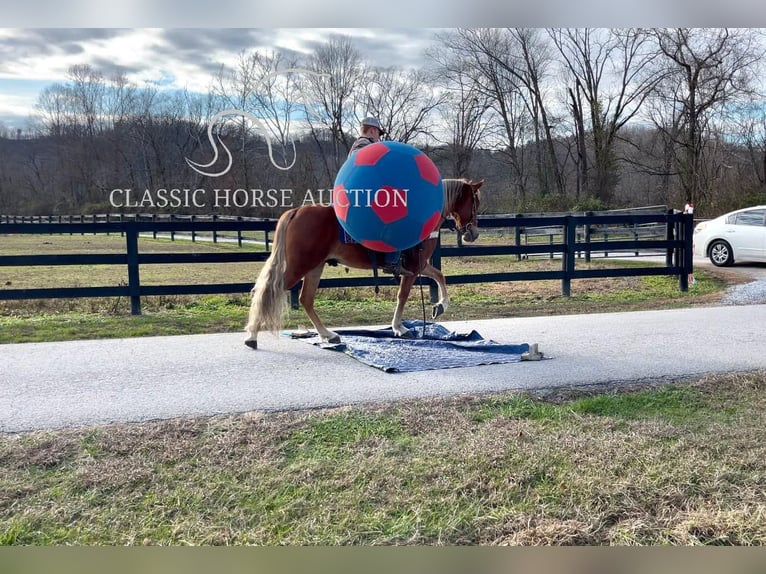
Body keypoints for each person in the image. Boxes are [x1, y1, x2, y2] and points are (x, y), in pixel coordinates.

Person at [347, 116, 412, 277]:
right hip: (364, 196)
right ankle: (391, 260)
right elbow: (367, 170)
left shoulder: (362, 145)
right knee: (397, 218)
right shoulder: (364, 145)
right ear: (372, 130)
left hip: (363, 194)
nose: (379, 138)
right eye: (378, 134)